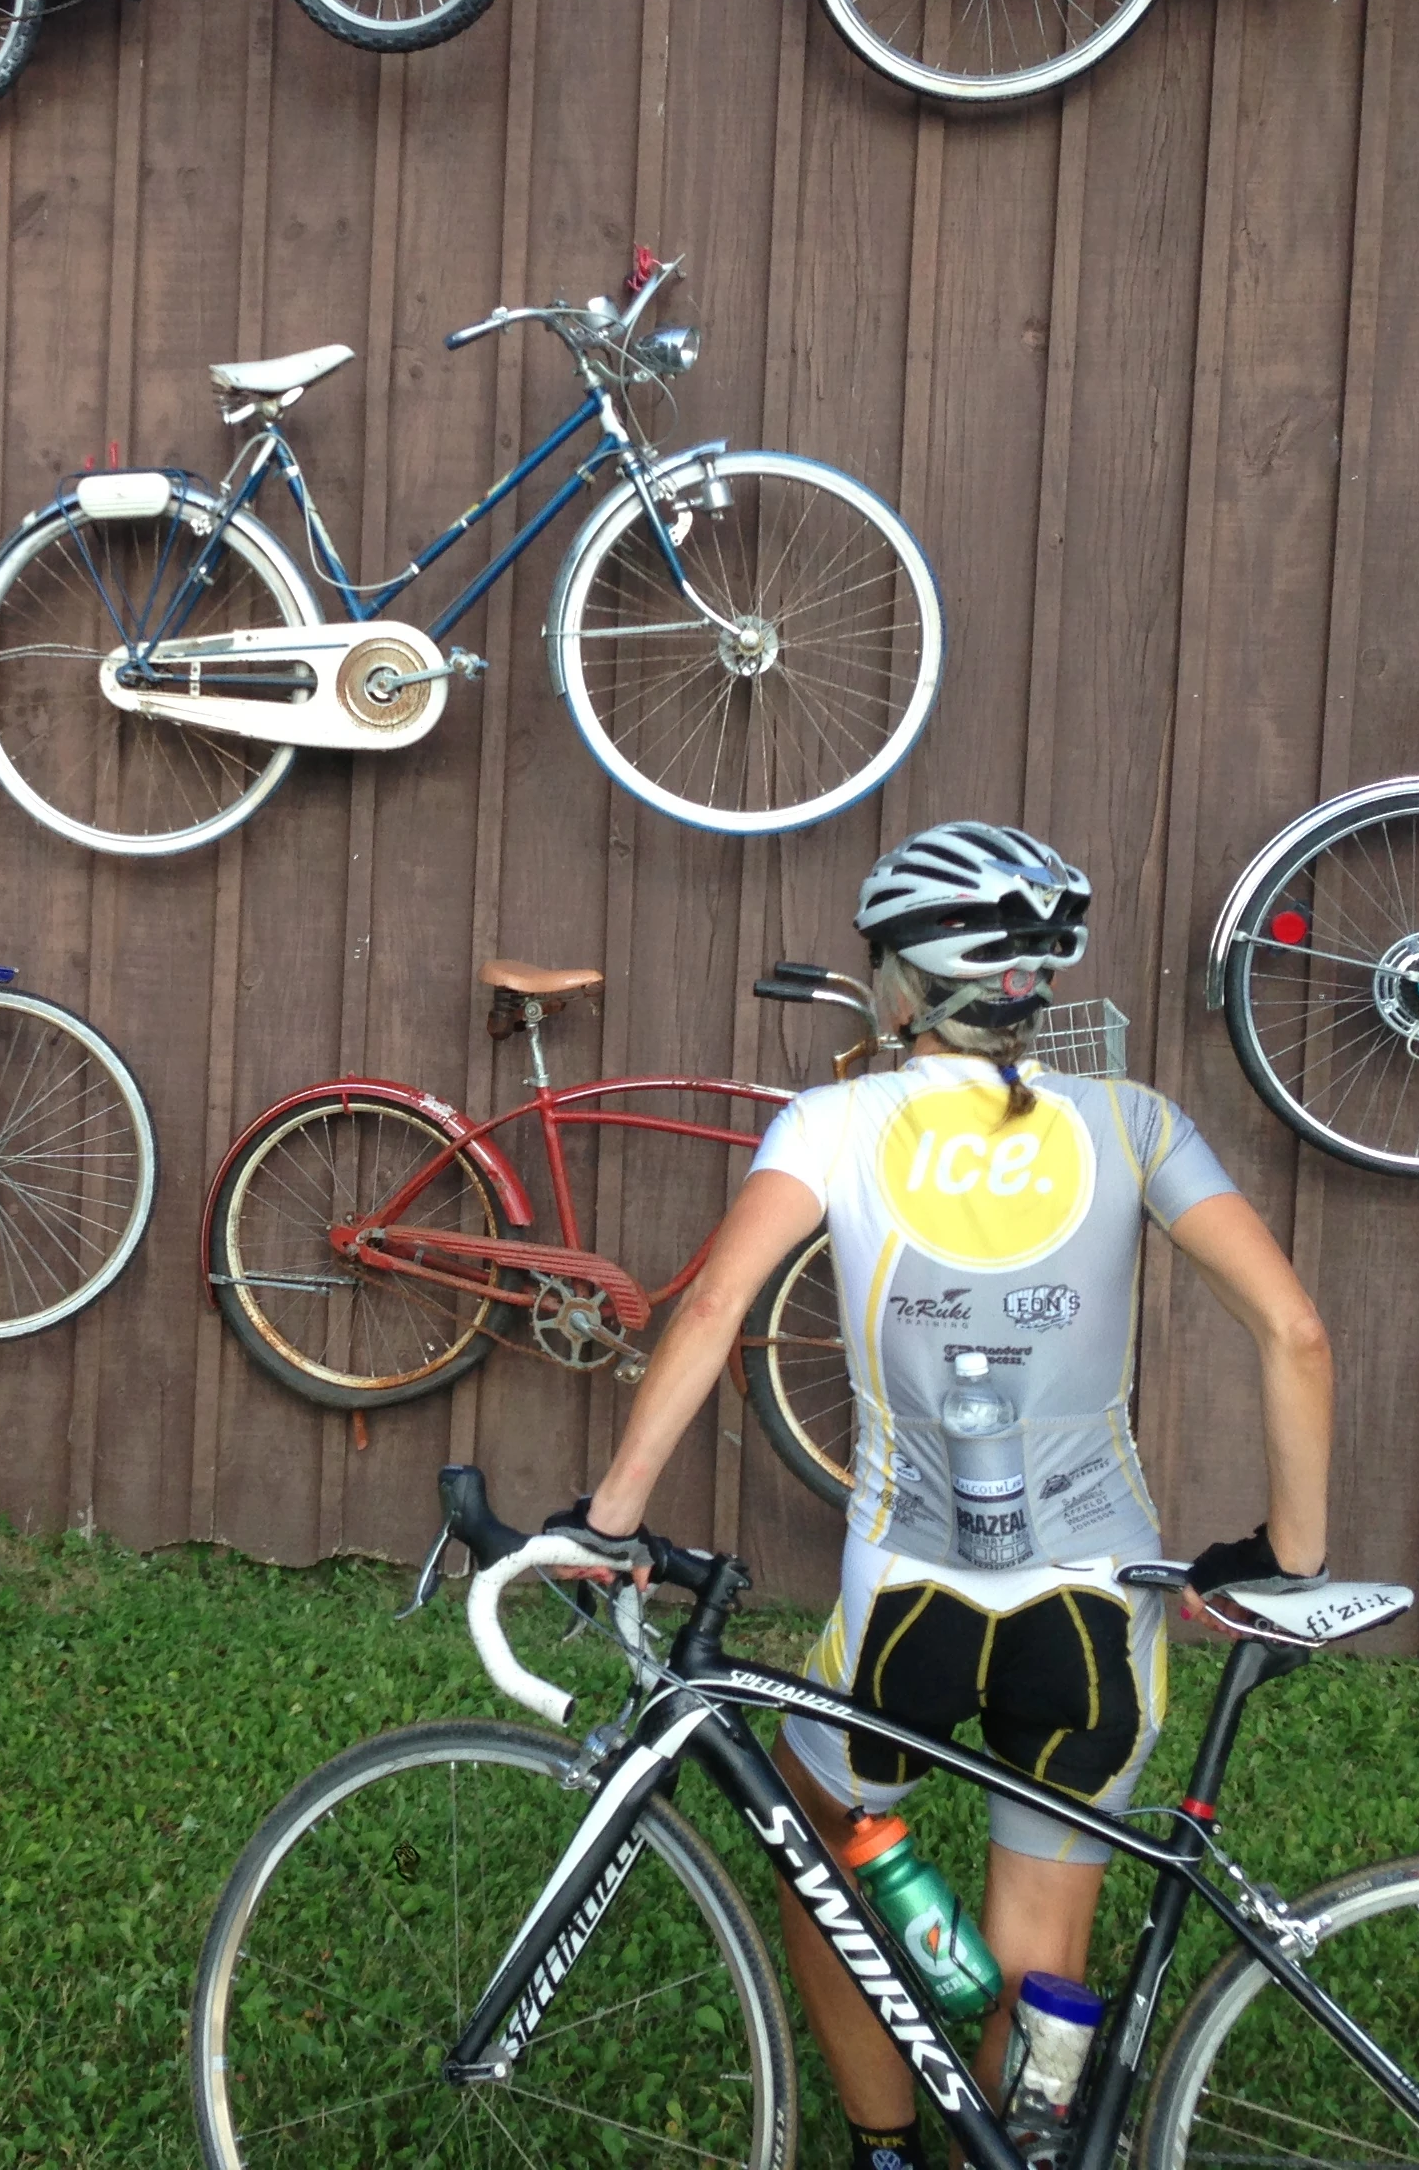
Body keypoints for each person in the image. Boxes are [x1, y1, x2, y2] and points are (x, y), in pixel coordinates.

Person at [561, 821, 1332, 2170]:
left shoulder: (834, 1122)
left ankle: (885, 2145)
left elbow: (718, 1306)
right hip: (1098, 1602)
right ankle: (1006, 2143)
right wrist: (1290, 1558)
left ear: (903, 985)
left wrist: (610, 1519)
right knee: (1044, 1943)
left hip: (906, 1593)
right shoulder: (1135, 1121)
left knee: (823, 1841)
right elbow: (1296, 1332)